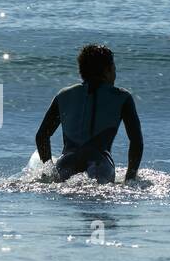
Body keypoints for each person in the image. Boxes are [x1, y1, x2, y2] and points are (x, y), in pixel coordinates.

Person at [34, 43, 143, 184]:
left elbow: (41, 136)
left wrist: (49, 172)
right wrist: (130, 178)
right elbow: (136, 141)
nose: (115, 73)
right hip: (100, 164)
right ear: (107, 70)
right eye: (114, 68)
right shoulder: (122, 97)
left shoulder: (63, 95)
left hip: (67, 162)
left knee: (61, 186)